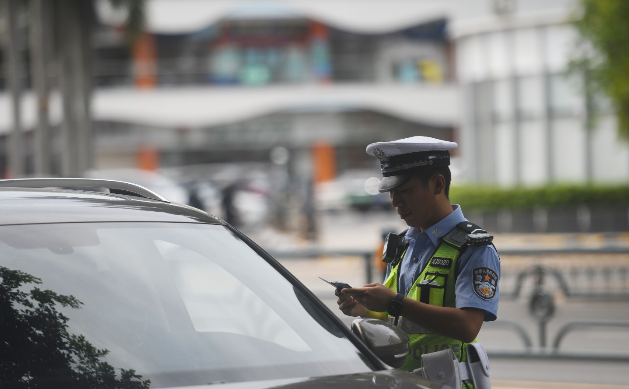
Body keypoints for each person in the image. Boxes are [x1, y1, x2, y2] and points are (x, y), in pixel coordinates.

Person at [336, 136, 500, 375]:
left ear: (437, 184)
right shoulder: (403, 244)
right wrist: (366, 308)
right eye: (391, 191)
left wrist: (394, 301)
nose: (395, 201)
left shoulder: (473, 247)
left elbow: (468, 326)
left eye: (405, 190)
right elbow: (399, 318)